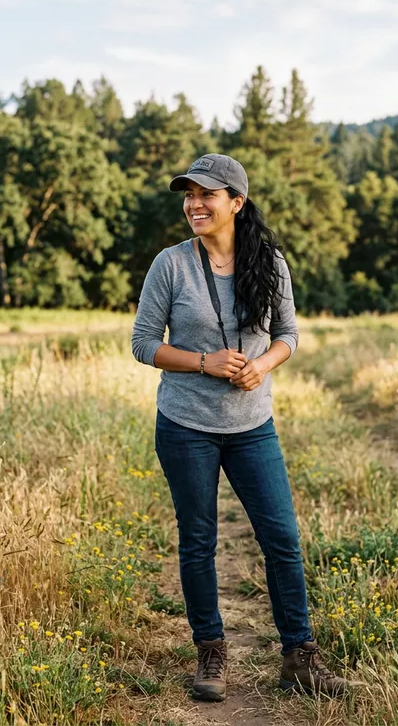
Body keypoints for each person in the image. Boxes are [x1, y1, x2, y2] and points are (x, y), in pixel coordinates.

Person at [131, 154, 357, 702]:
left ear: (236, 201)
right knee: (199, 541)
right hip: (185, 424)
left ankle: (300, 658)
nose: (194, 204)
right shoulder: (171, 264)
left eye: (206, 194)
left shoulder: (270, 262)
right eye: (188, 195)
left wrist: (263, 364)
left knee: (281, 537)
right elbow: (143, 345)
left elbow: (289, 334)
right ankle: (211, 654)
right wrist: (204, 361)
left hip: (253, 425)